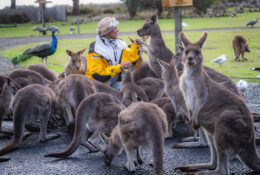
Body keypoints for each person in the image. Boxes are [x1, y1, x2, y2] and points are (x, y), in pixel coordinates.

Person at [85, 17, 140, 90]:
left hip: (112, 82)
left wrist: (135, 46)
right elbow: (99, 75)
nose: (118, 30)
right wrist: (119, 67)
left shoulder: (119, 43)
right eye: (114, 29)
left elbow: (128, 59)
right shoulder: (95, 51)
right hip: (96, 86)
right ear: (107, 32)